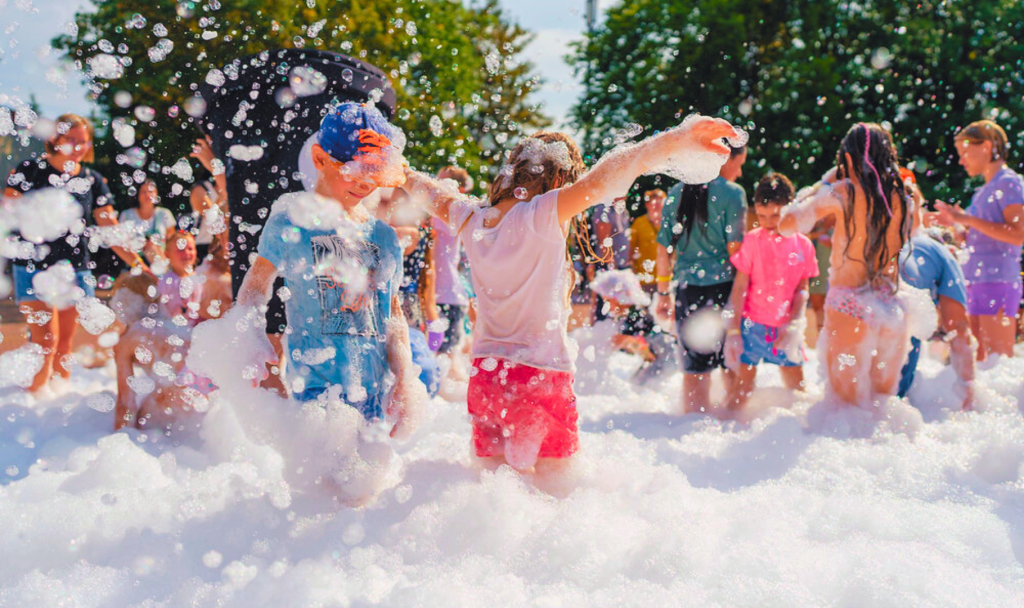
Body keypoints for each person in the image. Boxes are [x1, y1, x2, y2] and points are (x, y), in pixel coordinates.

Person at [403, 115, 742, 471]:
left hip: (486, 377)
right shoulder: (542, 213)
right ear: (560, 179)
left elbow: (434, 194)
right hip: (538, 378)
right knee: (554, 491)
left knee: (492, 486)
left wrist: (402, 173)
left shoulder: (472, 218)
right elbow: (608, 175)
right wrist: (674, 140)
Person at [204, 102, 418, 437]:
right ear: (319, 159)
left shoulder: (383, 236)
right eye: (354, 171)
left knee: (366, 482)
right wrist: (249, 335)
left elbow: (392, 314)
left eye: (374, 173)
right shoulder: (292, 222)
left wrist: (405, 377)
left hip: (374, 388)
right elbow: (257, 286)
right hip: (315, 391)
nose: (365, 184)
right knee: (324, 482)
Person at [4, 113, 147, 393]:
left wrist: (139, 263)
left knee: (65, 343)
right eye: (71, 140)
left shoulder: (93, 180)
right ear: (55, 139)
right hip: (34, 267)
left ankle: (57, 402)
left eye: (83, 141)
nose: (78, 146)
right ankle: (31, 403)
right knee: (46, 341)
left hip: (75, 269)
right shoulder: (31, 170)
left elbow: (110, 229)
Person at [779, 123, 912, 406]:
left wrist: (822, 183)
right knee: (882, 409)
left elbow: (787, 224)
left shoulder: (842, 191)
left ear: (848, 157)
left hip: (849, 305)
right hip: (891, 307)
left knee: (844, 410)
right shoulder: (902, 196)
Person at [654, 145, 748, 414]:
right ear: (725, 158)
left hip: (687, 291)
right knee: (729, 361)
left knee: (695, 368)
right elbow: (735, 251)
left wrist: (663, 293)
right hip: (724, 290)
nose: (740, 172)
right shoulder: (733, 194)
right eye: (739, 163)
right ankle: (733, 428)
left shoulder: (675, 192)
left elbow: (663, 250)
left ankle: (693, 430)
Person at [724, 173, 818, 412]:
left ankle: (800, 431)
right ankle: (729, 429)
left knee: (797, 391)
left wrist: (795, 324)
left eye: (776, 215)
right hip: (750, 326)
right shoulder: (752, 241)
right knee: (742, 389)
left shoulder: (803, 245)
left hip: (785, 327)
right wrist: (734, 330)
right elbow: (739, 288)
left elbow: (802, 289)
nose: (768, 221)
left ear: (790, 209)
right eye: (762, 215)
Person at [933, 120, 1024, 361]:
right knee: (979, 365)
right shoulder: (983, 190)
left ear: (985, 146)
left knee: (997, 362)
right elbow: (982, 238)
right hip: (977, 281)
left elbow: (1018, 233)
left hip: (998, 280)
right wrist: (955, 225)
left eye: (964, 152)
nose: (962, 160)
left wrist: (967, 219)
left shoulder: (1008, 182)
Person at [113, 232, 212, 432]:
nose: (187, 252)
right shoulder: (163, 282)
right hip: (174, 348)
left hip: (188, 350)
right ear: (167, 254)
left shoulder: (202, 280)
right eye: (181, 248)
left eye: (191, 248)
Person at [897, 176, 975, 409]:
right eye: (921, 207)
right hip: (901, 340)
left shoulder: (865, 246)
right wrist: (968, 392)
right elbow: (958, 327)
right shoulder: (937, 251)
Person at [590, 269, 677, 383]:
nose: (607, 306)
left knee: (637, 385)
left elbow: (643, 349)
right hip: (666, 357)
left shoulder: (634, 318)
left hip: (665, 360)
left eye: (608, 300)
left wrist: (610, 346)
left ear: (619, 297)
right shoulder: (635, 313)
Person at [432, 166, 474, 381]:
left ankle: (458, 400)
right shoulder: (440, 213)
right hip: (439, 295)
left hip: (448, 296)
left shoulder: (451, 214)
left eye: (442, 183)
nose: (435, 187)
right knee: (439, 358)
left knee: (447, 360)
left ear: (458, 189)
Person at [187, 136, 228, 262]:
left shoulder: (230, 188)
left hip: (224, 248)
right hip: (205, 250)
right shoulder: (200, 189)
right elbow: (215, 219)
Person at [119, 180, 177, 266]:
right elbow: (121, 242)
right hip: (134, 263)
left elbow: (171, 241)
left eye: (150, 191)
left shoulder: (164, 213)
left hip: (160, 261)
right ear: (137, 195)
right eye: (143, 192)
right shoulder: (126, 215)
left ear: (156, 194)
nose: (147, 195)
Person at [630, 188, 666, 290]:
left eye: (660, 202)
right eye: (654, 202)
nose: (657, 205)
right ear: (647, 205)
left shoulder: (669, 224)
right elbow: (630, 252)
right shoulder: (638, 223)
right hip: (644, 281)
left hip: (666, 280)